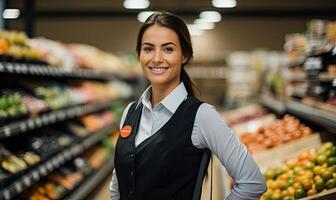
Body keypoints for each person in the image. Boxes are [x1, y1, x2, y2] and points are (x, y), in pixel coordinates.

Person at [110, 11, 266, 200]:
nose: (157, 58)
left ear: (184, 55)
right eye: (148, 49)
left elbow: (252, 182)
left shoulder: (201, 116)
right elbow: (118, 184)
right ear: (140, 54)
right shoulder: (130, 112)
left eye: (168, 49)